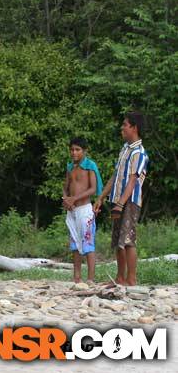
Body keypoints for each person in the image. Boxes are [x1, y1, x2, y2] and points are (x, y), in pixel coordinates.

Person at [93, 112, 149, 286]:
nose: (122, 127)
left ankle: (131, 280)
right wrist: (101, 197)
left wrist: (120, 204)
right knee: (118, 240)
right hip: (117, 199)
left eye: (125, 124)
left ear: (134, 127)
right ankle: (120, 278)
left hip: (129, 201)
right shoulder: (125, 149)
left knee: (128, 240)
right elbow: (116, 176)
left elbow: (132, 181)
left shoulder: (139, 153)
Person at [62, 137, 103, 284]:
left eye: (77, 149)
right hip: (72, 211)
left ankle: (91, 278)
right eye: (72, 149)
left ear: (84, 151)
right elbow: (65, 187)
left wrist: (75, 198)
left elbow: (92, 188)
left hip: (85, 210)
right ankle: (77, 277)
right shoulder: (70, 167)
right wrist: (66, 199)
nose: (74, 152)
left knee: (88, 244)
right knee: (75, 244)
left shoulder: (90, 165)